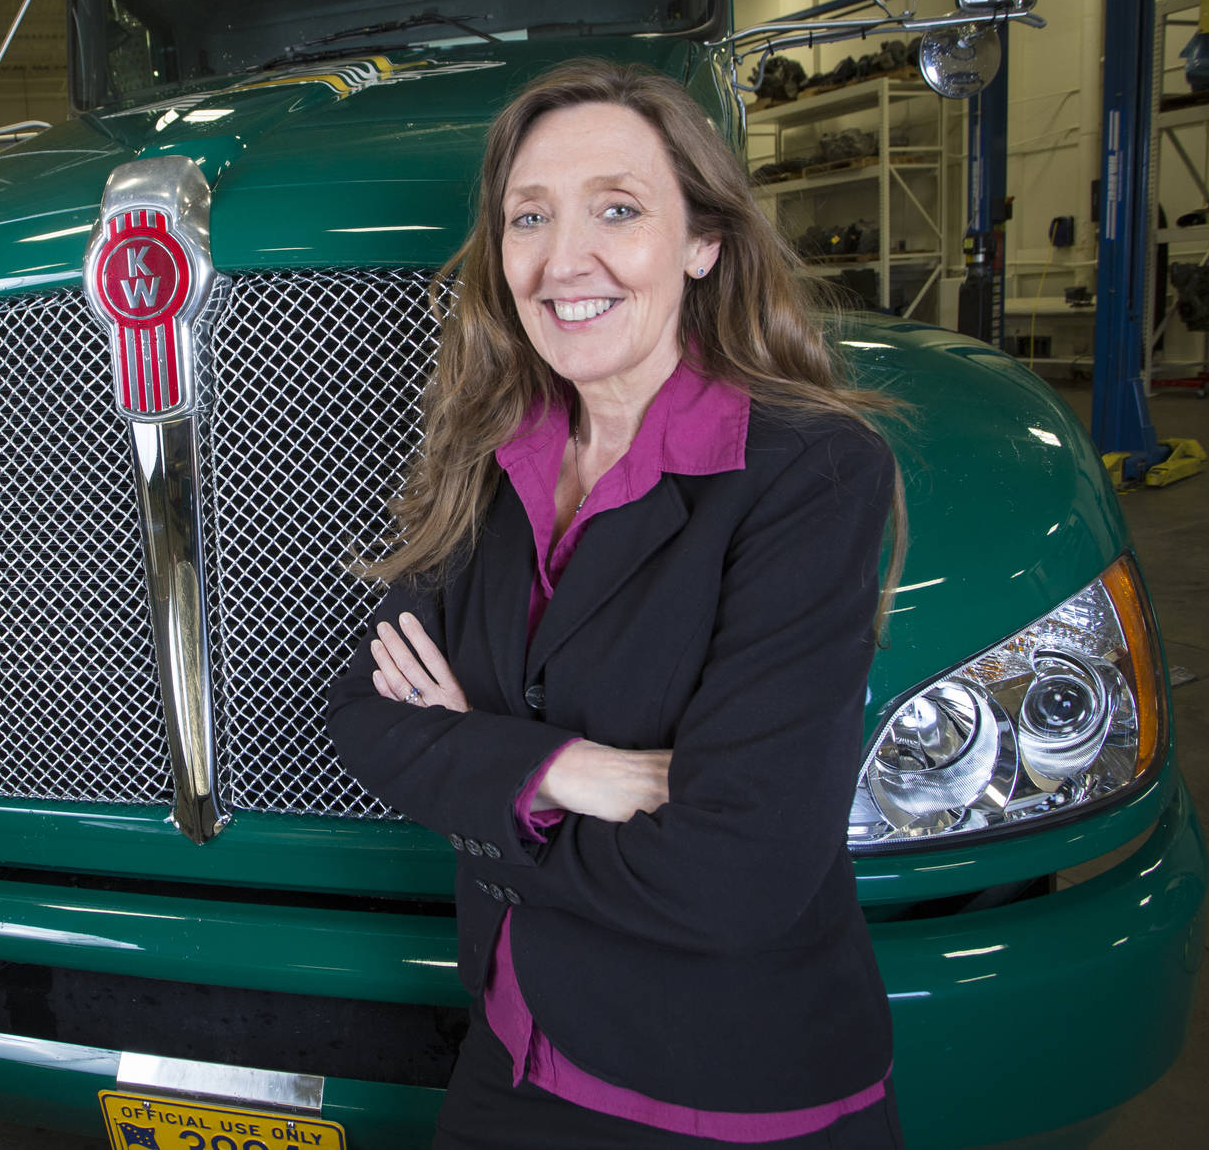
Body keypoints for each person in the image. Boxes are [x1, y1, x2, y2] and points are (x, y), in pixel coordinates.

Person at [324, 60, 906, 1148]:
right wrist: (565, 774)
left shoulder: (809, 472)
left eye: (618, 210)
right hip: (509, 1048)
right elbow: (362, 713)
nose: (561, 260)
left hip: (719, 1091)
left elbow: (737, 874)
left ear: (702, 243)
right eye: (527, 217)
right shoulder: (485, 454)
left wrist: (479, 774)